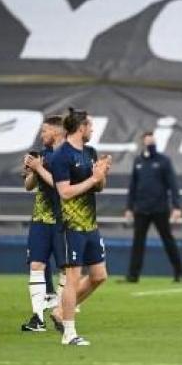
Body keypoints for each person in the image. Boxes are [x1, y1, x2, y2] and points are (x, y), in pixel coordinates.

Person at [49, 108, 112, 346]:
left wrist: (102, 173)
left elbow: (98, 187)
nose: (93, 129)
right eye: (90, 126)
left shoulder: (90, 152)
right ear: (81, 127)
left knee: (99, 276)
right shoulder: (61, 156)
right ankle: (69, 333)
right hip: (69, 225)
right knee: (73, 277)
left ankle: (60, 311)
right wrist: (93, 179)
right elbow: (64, 192)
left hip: (89, 224)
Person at [20, 115, 66, 332]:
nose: (42, 134)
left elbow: (61, 188)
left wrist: (39, 168)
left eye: (45, 131)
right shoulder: (42, 155)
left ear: (56, 132)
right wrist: (31, 170)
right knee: (36, 265)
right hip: (40, 219)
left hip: (63, 220)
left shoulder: (68, 156)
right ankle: (37, 318)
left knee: (65, 269)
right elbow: (29, 186)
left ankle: (63, 313)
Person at [124, 131, 182, 283]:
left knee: (168, 240)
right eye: (148, 142)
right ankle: (133, 275)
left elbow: (173, 185)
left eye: (153, 142)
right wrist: (129, 208)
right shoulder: (138, 162)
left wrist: (176, 206)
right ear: (142, 143)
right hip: (141, 209)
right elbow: (133, 186)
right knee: (138, 242)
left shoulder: (164, 161)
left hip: (160, 209)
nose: (151, 145)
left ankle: (179, 272)